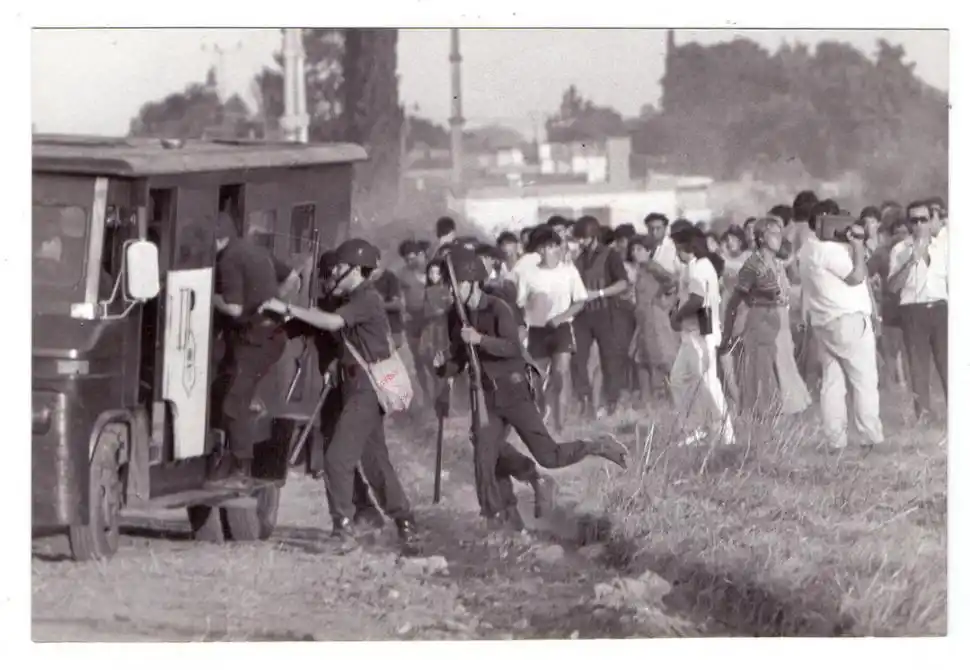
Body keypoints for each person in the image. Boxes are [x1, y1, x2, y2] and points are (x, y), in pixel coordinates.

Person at [434, 246, 628, 529]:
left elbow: (512, 348)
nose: (451, 292)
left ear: (472, 282)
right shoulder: (455, 315)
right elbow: (460, 357)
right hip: (485, 396)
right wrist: (443, 365)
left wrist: (480, 340)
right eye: (448, 286)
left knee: (548, 455)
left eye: (455, 285)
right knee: (484, 458)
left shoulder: (497, 308)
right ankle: (497, 518)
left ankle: (596, 445)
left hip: (514, 392)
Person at [263, 238, 418, 552]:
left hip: (366, 389)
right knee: (375, 461)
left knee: (336, 458)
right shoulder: (347, 299)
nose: (333, 273)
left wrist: (286, 306)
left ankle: (344, 529)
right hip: (353, 387)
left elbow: (331, 322)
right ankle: (402, 521)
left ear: (356, 270)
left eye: (339, 269)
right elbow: (313, 326)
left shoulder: (367, 298)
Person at [208, 212, 299, 490]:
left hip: (255, 340)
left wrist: (209, 297)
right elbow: (293, 277)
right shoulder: (256, 251)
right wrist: (274, 302)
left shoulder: (228, 260)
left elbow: (234, 308)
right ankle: (230, 454)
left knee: (234, 402)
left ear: (216, 238)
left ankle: (240, 469)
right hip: (270, 336)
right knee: (233, 389)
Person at [798, 200, 883, 451]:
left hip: (824, 323)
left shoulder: (807, 249)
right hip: (849, 321)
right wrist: (857, 244)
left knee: (832, 384)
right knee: (864, 381)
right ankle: (870, 437)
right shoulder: (830, 250)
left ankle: (835, 440)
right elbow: (856, 277)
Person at [721, 217, 811, 417]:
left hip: (780, 322)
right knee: (763, 371)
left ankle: (780, 413)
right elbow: (740, 295)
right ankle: (763, 414)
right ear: (761, 238)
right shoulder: (754, 264)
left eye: (780, 233)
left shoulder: (777, 264)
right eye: (773, 233)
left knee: (783, 366)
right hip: (761, 321)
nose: (779, 238)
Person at [668, 226, 735, 447]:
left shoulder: (699, 267)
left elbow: (697, 300)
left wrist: (677, 315)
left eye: (678, 247)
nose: (677, 252)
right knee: (679, 379)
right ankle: (694, 428)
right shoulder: (693, 267)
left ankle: (725, 434)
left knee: (708, 383)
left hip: (702, 334)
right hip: (691, 334)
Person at [516, 227, 588, 432]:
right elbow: (521, 303)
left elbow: (580, 301)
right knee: (537, 379)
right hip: (537, 329)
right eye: (548, 247)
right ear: (539, 250)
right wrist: (532, 315)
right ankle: (543, 412)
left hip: (562, 328)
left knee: (561, 373)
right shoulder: (529, 274)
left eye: (556, 246)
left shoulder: (569, 272)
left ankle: (560, 425)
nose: (554, 250)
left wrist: (560, 317)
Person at [887, 199, 948, 423]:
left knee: (948, 364)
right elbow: (893, 287)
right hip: (913, 311)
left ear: (931, 221)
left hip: (941, 309)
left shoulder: (944, 247)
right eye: (914, 220)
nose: (920, 224)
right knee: (918, 366)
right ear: (909, 223)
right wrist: (910, 262)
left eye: (924, 219)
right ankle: (924, 417)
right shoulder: (899, 250)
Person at [570, 216, 631, 417]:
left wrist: (599, 293)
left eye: (583, 238)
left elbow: (623, 283)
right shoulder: (578, 259)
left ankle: (613, 403)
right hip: (582, 315)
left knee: (609, 360)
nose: (580, 242)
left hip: (605, 312)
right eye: (578, 238)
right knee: (578, 360)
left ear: (593, 236)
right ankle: (585, 402)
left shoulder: (610, 255)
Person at [627, 235, 679, 403]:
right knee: (640, 357)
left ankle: (674, 399)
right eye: (633, 249)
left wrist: (659, 295)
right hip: (643, 317)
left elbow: (672, 280)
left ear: (649, 251)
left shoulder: (652, 266)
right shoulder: (641, 269)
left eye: (639, 249)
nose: (635, 253)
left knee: (661, 358)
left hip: (654, 318)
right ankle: (647, 399)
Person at [398, 239, 433, 404]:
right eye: (406, 260)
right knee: (417, 359)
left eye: (412, 258)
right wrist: (403, 312)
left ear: (421, 255)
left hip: (431, 319)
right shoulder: (403, 274)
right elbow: (400, 297)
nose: (410, 262)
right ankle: (426, 395)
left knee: (431, 357)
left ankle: (440, 392)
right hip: (412, 319)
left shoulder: (434, 271)